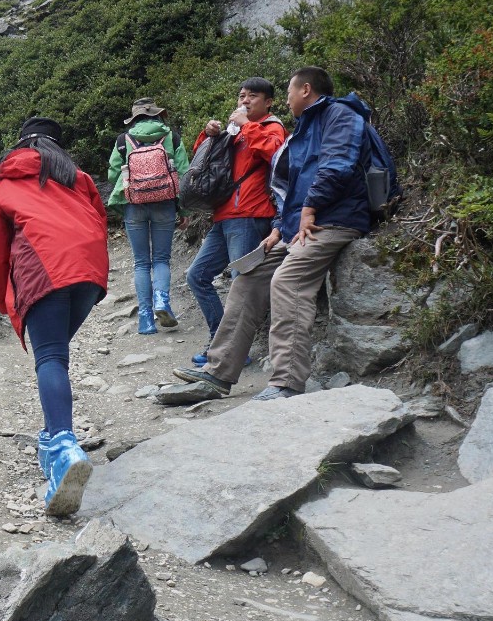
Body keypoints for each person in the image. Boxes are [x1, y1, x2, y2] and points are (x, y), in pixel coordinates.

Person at [161, 67, 376, 404]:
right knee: (246, 277)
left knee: (287, 282)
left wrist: (310, 208)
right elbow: (288, 187)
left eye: (289, 92)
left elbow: (339, 165)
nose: (287, 100)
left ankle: (286, 383)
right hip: (299, 224)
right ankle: (217, 375)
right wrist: (279, 226)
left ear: (305, 90)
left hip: (333, 220)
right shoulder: (304, 128)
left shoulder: (340, 116)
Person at [0, 117, 109, 516]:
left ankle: (63, 448)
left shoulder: (2, 182)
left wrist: (4, 299)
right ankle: (54, 435)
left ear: (19, 145)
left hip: (46, 267)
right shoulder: (78, 177)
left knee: (50, 357)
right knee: (56, 354)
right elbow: (100, 221)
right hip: (89, 271)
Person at [184, 78, 287, 364]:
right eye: (242, 95)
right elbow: (204, 160)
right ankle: (221, 341)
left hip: (251, 215)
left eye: (252, 96)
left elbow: (275, 154)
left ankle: (232, 352)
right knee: (197, 276)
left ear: (268, 102)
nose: (245, 100)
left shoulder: (271, 127)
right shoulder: (237, 130)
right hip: (224, 215)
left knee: (241, 284)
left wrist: (246, 125)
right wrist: (208, 135)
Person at [107, 97, 190, 335]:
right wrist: (183, 210)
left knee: (141, 262)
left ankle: (145, 319)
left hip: (134, 204)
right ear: (157, 114)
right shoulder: (171, 137)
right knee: (162, 259)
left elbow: (113, 174)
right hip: (165, 203)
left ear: (135, 118)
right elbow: (184, 173)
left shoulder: (124, 140)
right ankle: (162, 301)